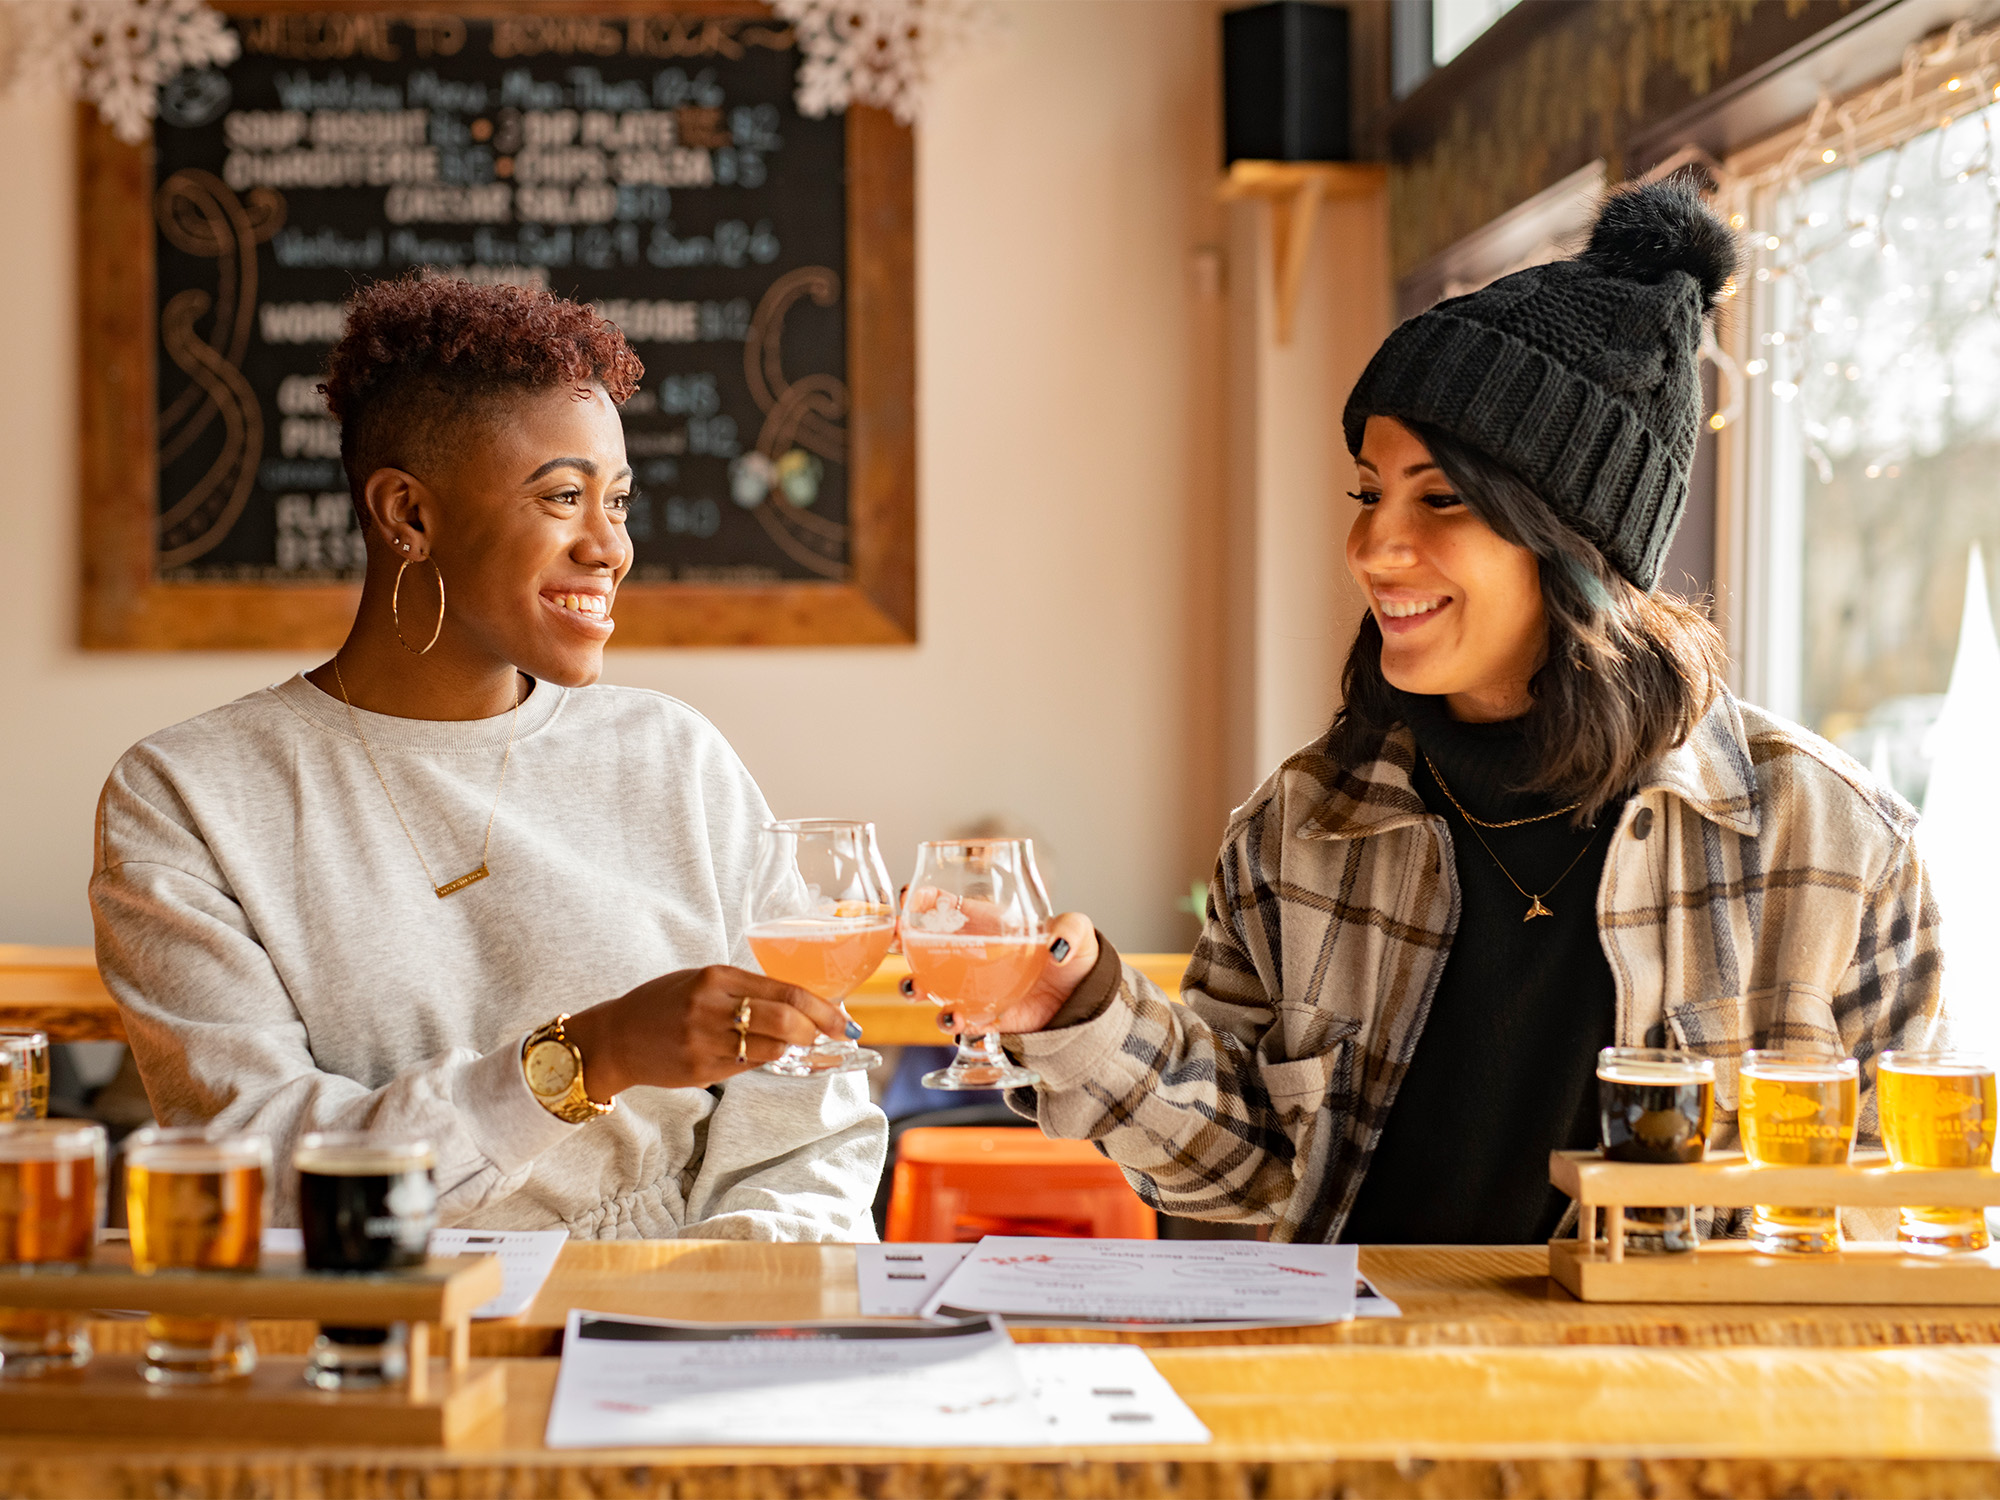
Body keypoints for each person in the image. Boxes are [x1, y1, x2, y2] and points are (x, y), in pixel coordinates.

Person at [935, 181, 1945, 1244]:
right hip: (1359, 1391)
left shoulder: (1829, 843)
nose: (1372, 548)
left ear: (1571, 539)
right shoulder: (1304, 825)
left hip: (1674, 1401)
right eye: (1368, 492)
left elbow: (1889, 1242)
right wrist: (1080, 1006)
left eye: (1440, 498)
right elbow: (1247, 1186)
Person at [91, 276, 885, 1238]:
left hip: (667, 1328)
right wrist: (587, 1057)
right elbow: (259, 1159)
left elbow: (807, 1133)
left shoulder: (674, 757)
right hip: (373, 1336)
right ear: (408, 516)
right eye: (563, 496)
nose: (610, 548)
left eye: (619, 501)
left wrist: (705, 1318)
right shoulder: (187, 795)